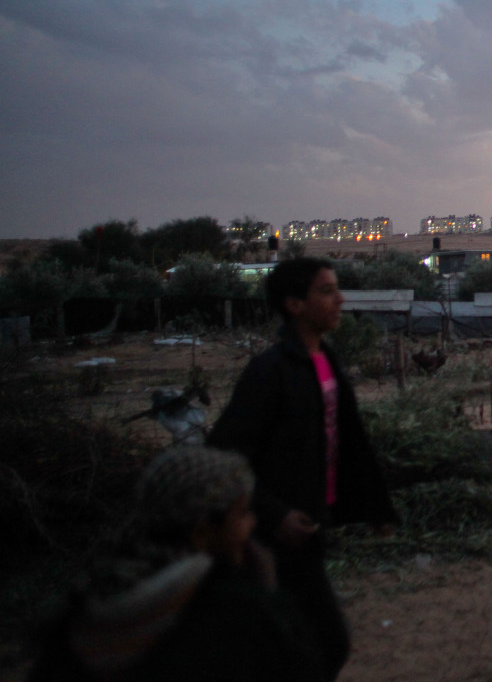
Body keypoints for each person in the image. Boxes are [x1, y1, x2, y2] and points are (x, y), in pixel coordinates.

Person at [207, 257, 397, 681]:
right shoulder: (270, 371)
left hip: (310, 525)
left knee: (303, 648)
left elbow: (349, 441)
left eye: (336, 288)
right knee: (323, 645)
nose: (339, 299)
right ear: (294, 304)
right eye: (326, 291)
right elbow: (222, 453)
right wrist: (274, 514)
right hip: (269, 539)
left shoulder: (325, 362)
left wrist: (375, 507)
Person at [28, 447, 321, 682]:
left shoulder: (90, 599)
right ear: (202, 531)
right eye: (243, 514)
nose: (253, 523)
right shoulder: (233, 612)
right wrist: (270, 595)